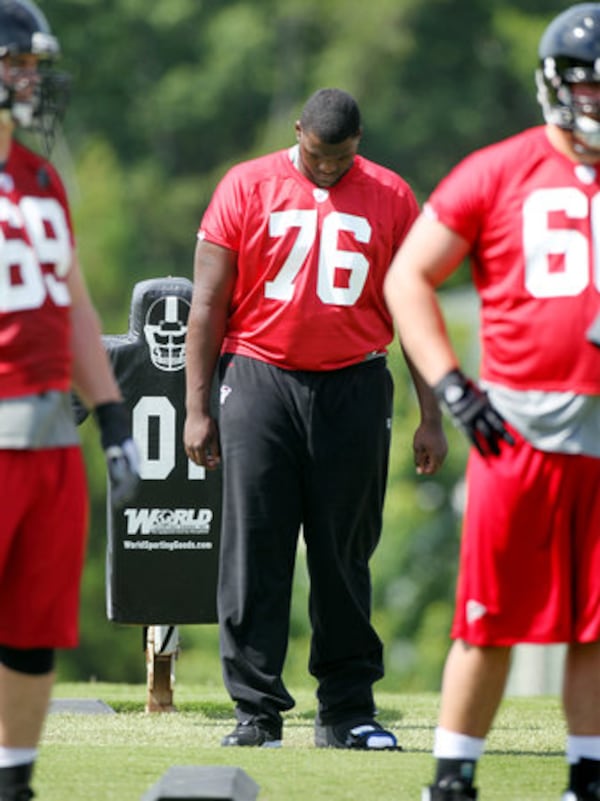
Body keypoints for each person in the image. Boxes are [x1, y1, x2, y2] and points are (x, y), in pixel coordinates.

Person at [184, 88, 447, 749]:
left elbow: (413, 308)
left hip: (354, 382)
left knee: (343, 551)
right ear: (297, 131)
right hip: (259, 376)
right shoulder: (246, 186)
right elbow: (209, 305)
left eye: (342, 156)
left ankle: (347, 709)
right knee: (256, 550)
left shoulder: (390, 194)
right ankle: (256, 711)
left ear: (360, 141)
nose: (328, 168)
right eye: (317, 154)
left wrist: (431, 413)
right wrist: (196, 406)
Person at [383, 4, 600, 799]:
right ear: (555, 87)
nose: (599, 101)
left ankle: (588, 774)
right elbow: (406, 277)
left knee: (597, 627)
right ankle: (453, 777)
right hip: (519, 429)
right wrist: (449, 382)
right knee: (490, 616)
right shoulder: (500, 168)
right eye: (589, 86)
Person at [0, 2, 139, 799]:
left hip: (50, 435)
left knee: (30, 631)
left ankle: (14, 782)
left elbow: (72, 300)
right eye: (16, 63)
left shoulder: (42, 176)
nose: (30, 81)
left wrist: (113, 415)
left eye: (32, 66)